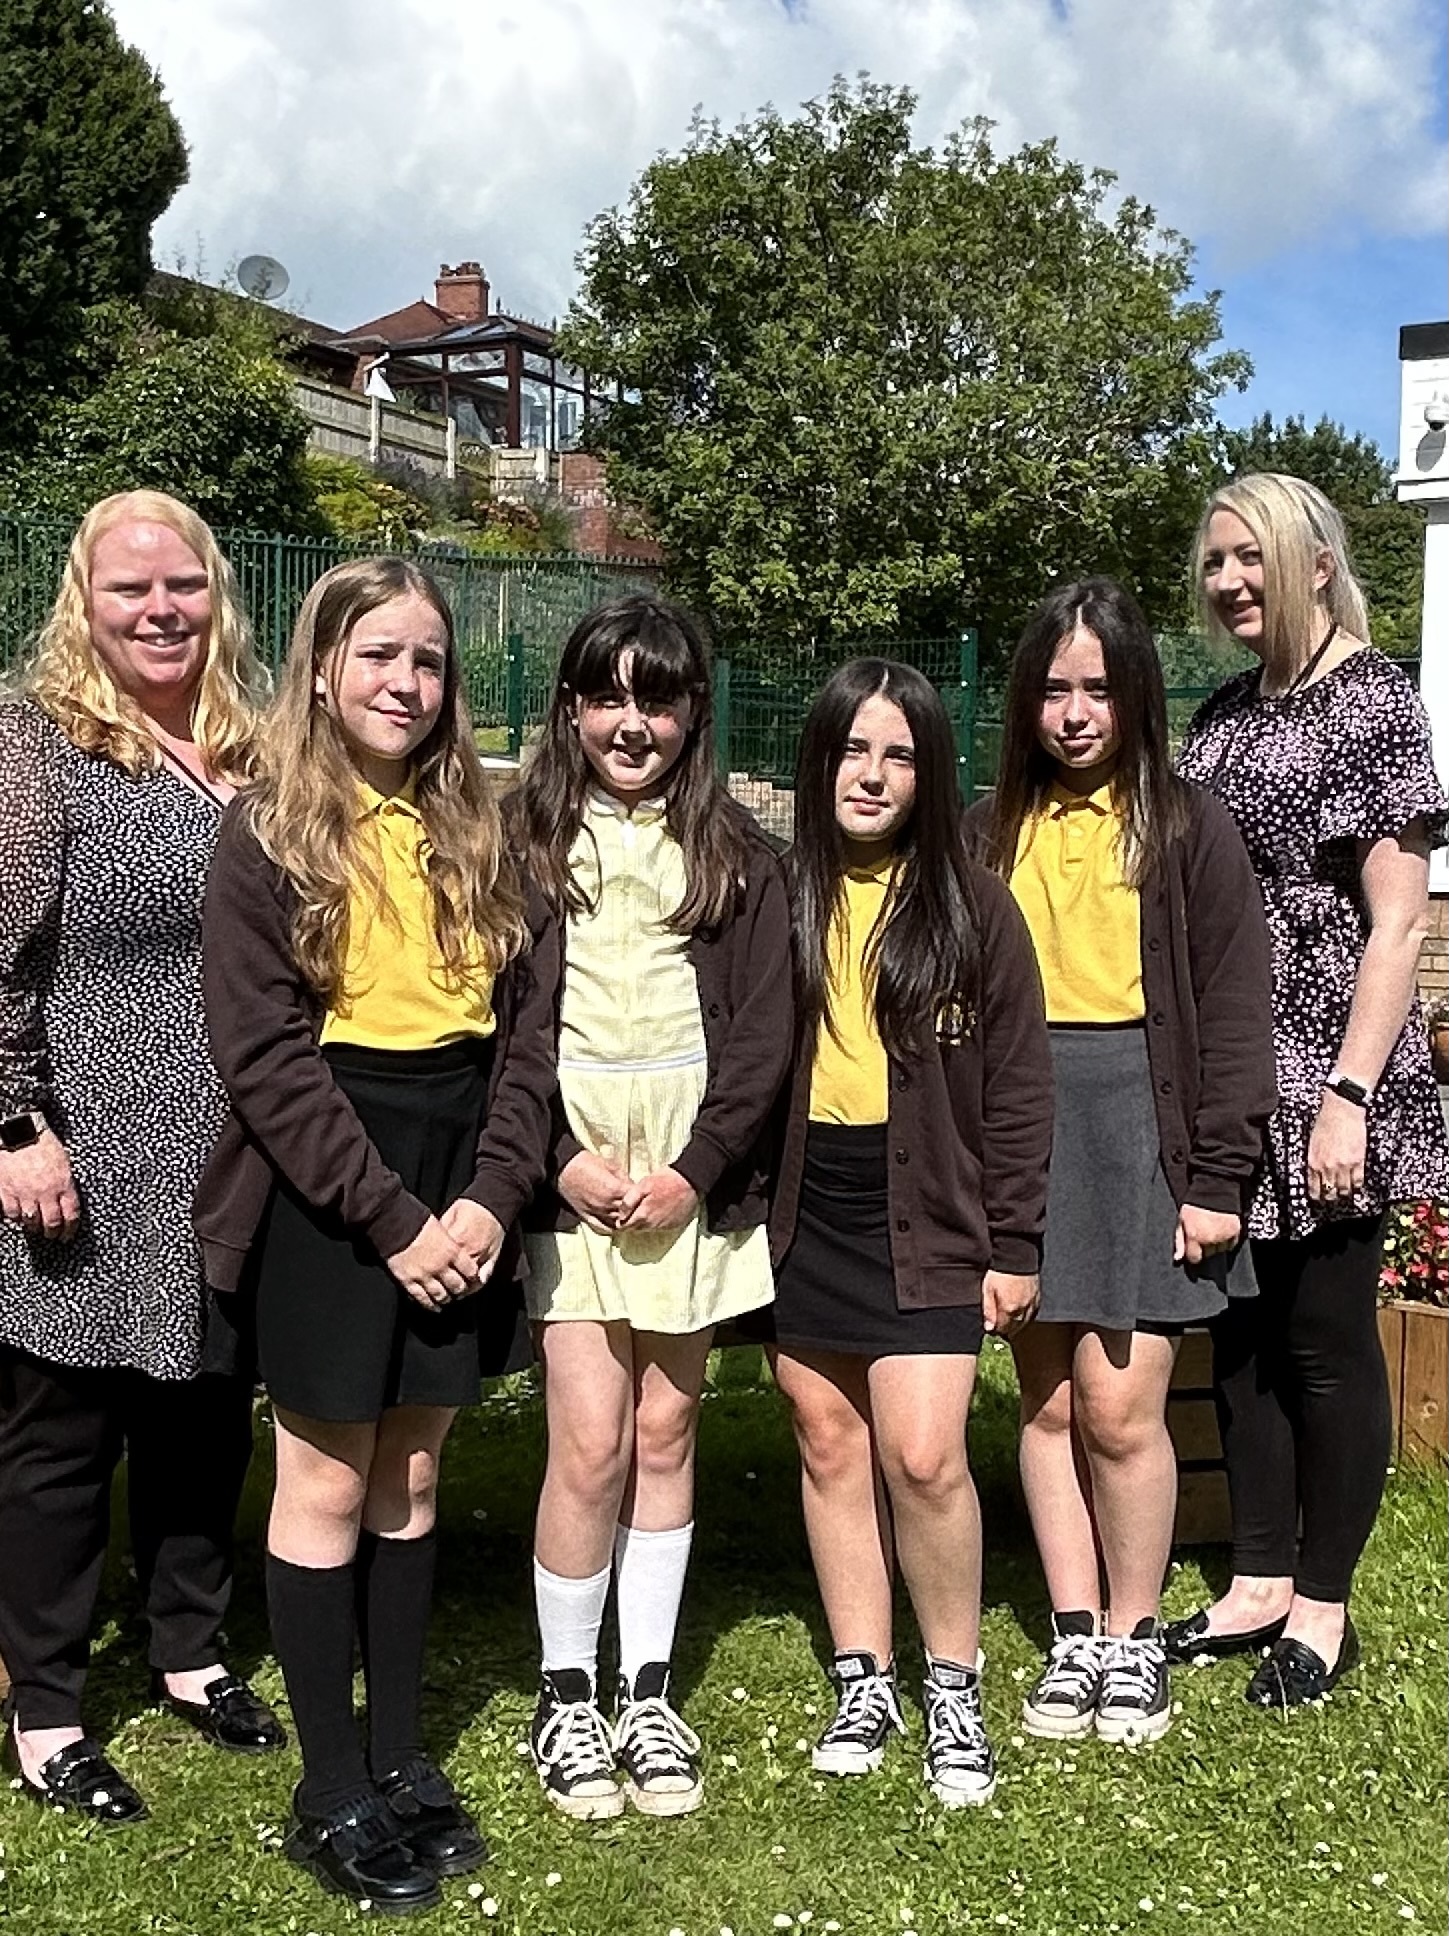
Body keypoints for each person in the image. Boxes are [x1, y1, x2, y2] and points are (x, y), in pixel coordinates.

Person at [195, 558, 559, 1911]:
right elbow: (267, 1058)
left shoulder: (487, 826)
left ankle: (402, 1756)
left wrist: (485, 1198)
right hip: (333, 1180)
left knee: (412, 1478)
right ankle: (328, 1783)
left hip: (462, 1168)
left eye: (427, 662)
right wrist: (394, 1220)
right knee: (329, 1486)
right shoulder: (271, 829)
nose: (406, 685)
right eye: (378, 657)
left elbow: (526, 1045)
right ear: (322, 667)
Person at [0, 490, 284, 1825]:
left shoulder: (252, 745)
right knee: (61, 1438)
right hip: (84, 1147)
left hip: (230, 1152)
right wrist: (15, 1123)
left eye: (182, 586)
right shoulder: (41, 744)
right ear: (86, 602)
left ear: (215, 593)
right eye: (131, 591)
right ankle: (49, 1710)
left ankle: (188, 1649)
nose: (162, 610)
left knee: (200, 1416)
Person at [969, 579, 1276, 1745]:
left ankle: (1137, 1633)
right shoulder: (988, 825)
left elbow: (1236, 1011)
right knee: (1043, 1401)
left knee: (1118, 1407)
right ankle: (1077, 1628)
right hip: (1022, 1129)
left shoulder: (1192, 827)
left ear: (1137, 692)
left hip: (1143, 1136)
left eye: (1099, 688)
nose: (1077, 711)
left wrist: (1216, 1177)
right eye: (1054, 688)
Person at [513, 593, 790, 1822]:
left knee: (667, 1434)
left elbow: (767, 1037)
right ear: (571, 707)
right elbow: (492, 1028)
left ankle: (647, 1685)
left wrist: (697, 1168)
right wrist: (554, 1158)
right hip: (568, 1174)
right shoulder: (515, 843)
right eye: (609, 697)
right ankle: (565, 1695)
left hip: (690, 1178)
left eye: (659, 699)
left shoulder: (737, 850)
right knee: (590, 1436)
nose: (633, 723)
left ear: (692, 715)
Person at [1173, 473, 1449, 1705]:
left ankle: (1322, 1608)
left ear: (1317, 562)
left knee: (1326, 1342)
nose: (1230, 581)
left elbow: (1396, 925)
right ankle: (1257, 1581)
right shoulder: (1224, 714)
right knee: (1240, 1335)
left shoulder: (1377, 702)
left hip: (1335, 1070)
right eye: (1215, 563)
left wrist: (1348, 1093)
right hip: (1236, 1068)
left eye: (1250, 558)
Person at [762, 658, 1053, 1808]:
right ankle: (863, 1677)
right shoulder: (779, 892)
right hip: (805, 1212)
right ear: (818, 758)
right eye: (851, 749)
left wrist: (1016, 1243)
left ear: (928, 774)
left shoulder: (976, 906)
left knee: (924, 1456)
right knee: (829, 1446)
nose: (871, 774)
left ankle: (954, 1689)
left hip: (928, 1215)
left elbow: (1023, 1089)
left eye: (898, 754)